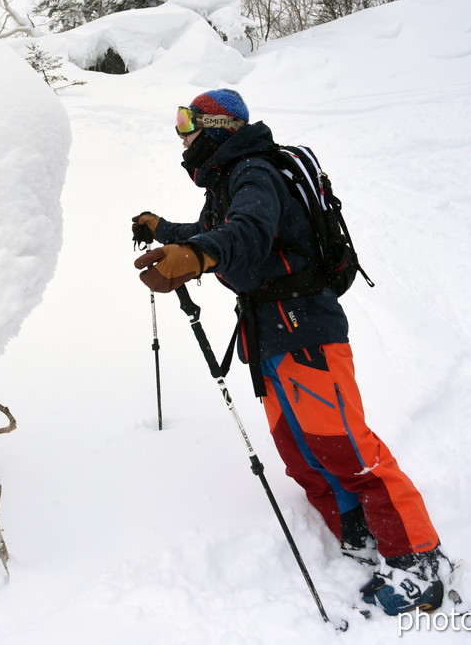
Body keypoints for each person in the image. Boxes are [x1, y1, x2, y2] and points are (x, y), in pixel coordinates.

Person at [131, 88, 449, 616]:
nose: (181, 133)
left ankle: (420, 561)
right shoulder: (230, 180)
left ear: (217, 126)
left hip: (303, 326)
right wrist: (167, 233)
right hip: (271, 329)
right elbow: (219, 230)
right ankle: (359, 528)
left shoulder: (254, 171)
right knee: (300, 448)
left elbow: (248, 235)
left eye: (187, 120)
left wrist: (198, 256)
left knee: (345, 445)